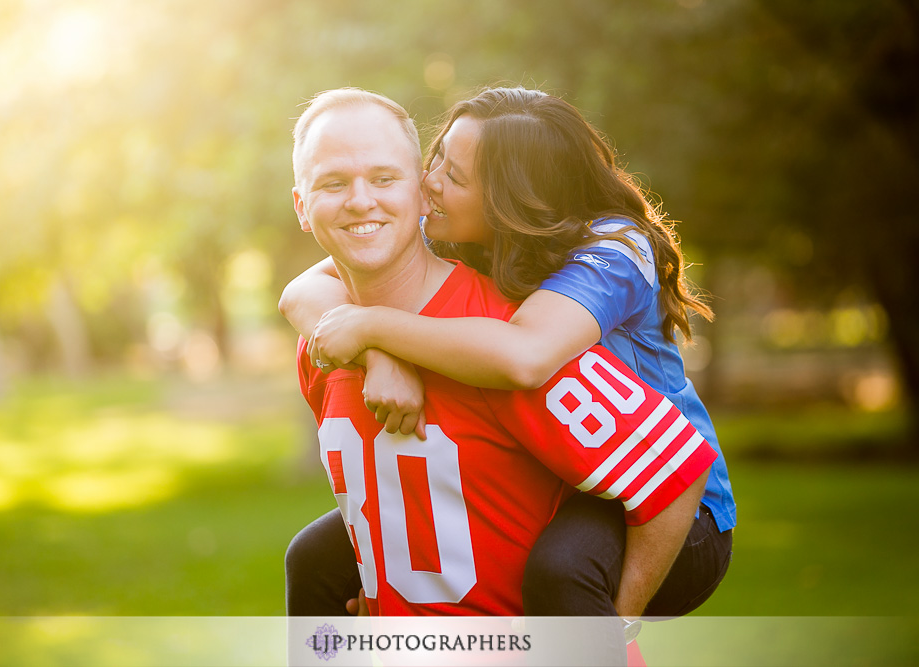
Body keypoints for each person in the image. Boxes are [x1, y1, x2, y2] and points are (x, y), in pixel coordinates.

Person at [284, 88, 716, 664]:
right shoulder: (453, 252)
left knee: (562, 571)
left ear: (506, 200)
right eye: (436, 161)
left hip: (670, 504)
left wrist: (620, 621)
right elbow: (305, 288)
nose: (434, 183)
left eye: (450, 177)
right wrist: (372, 345)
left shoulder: (604, 256)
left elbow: (526, 355)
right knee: (311, 558)